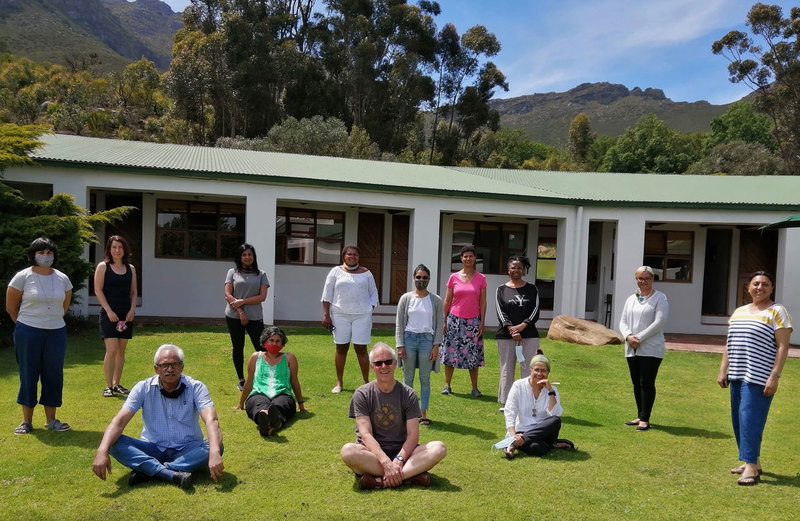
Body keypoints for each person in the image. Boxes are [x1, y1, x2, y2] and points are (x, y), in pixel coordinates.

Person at [91, 344, 224, 489]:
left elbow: (211, 419)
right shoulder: (143, 388)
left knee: (216, 445)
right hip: (152, 448)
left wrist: (215, 452)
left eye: (174, 364)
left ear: (182, 367)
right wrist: (101, 451)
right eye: (164, 365)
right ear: (156, 368)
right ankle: (170, 474)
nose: (170, 369)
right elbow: (119, 421)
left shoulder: (196, 387)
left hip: (187, 449)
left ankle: (150, 470)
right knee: (113, 442)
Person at [717, 271, 792, 486]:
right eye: (756, 283)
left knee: (751, 419)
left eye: (765, 284)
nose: (760, 287)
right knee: (739, 419)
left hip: (759, 376)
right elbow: (729, 343)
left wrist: (775, 375)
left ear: (772, 288)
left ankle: (750, 466)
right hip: (738, 374)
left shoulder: (777, 311)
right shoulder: (739, 312)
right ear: (748, 287)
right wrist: (723, 369)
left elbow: (782, 346)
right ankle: (753, 460)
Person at [340, 343, 447, 490]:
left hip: (403, 453)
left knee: (439, 448)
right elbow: (365, 435)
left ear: (395, 363)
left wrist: (398, 460)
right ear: (372, 367)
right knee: (348, 451)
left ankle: (380, 481)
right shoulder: (362, 394)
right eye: (378, 363)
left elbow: (413, 436)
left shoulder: (408, 393)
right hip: (372, 455)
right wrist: (385, 461)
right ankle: (410, 476)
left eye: (388, 362)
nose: (384, 366)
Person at [6, 237, 73, 435]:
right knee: (29, 374)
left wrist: (52, 319)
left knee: (53, 374)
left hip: (56, 332)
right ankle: (26, 421)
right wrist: (24, 323)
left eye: (49, 253)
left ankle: (51, 420)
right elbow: (11, 306)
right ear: (33, 255)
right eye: (41, 253)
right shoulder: (22, 277)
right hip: (28, 331)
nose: (46, 256)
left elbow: (65, 304)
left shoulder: (62, 278)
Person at [321, 245, 378, 394]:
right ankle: (339, 382)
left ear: (359, 257)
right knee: (341, 347)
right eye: (349, 254)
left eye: (355, 255)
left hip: (362, 315)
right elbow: (327, 295)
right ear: (343, 256)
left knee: (361, 348)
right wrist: (326, 314)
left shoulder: (367, 273)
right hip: (340, 314)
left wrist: (369, 308)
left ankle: (366, 382)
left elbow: (374, 294)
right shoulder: (335, 272)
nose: (352, 257)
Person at [618, 265, 669, 432]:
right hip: (632, 348)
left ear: (652, 279)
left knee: (646, 382)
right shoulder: (631, 298)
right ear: (636, 279)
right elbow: (623, 321)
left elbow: (659, 322)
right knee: (636, 382)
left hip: (651, 348)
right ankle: (640, 414)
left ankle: (645, 419)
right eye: (640, 278)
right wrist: (628, 336)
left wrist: (639, 337)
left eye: (647, 278)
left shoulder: (660, 298)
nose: (643, 281)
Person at [236, 326, 307, 436]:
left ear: (282, 344)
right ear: (265, 341)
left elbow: (294, 381)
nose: (274, 344)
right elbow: (249, 381)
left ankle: (267, 423)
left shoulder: (289, 358)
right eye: (271, 340)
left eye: (278, 341)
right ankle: (268, 419)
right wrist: (240, 404)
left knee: (280, 404)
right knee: (258, 403)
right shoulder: (255, 357)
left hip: (283, 394)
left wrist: (301, 404)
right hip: (259, 393)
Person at [395, 264, 443, 425]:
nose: (421, 280)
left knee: (425, 378)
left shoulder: (435, 300)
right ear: (413, 278)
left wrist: (436, 346)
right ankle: (407, 413)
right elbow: (399, 324)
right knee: (408, 378)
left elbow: (439, 325)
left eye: (424, 277)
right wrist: (400, 345)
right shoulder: (406, 298)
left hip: (426, 341)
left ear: (429, 279)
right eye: (418, 277)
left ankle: (423, 414)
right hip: (409, 339)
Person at [502, 353, 574, 459]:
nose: (539, 373)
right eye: (536, 370)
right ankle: (552, 444)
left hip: (544, 433)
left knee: (556, 420)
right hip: (522, 431)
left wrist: (550, 391)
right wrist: (513, 434)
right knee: (537, 448)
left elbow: (555, 414)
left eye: (543, 370)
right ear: (530, 370)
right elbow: (510, 411)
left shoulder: (552, 390)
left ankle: (515, 443)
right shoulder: (518, 386)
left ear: (548, 373)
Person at [440, 244, 486, 397]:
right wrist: (444, 320)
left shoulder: (481, 279)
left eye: (471, 256)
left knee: (473, 354)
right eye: (465, 256)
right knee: (450, 353)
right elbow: (447, 301)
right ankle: (447, 385)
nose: (468, 258)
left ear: (475, 258)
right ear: (461, 258)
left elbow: (483, 302)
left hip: (473, 322)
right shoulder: (453, 277)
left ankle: (474, 388)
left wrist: (482, 322)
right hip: (454, 320)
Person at [94, 235, 138, 398]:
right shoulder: (103, 267)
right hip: (109, 314)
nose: (117, 250)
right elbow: (98, 290)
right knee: (111, 349)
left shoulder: (131, 269)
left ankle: (117, 384)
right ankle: (108, 386)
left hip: (125, 314)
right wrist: (108, 311)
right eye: (114, 247)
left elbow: (134, 292)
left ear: (124, 249)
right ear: (109, 249)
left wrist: (132, 310)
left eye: (120, 247)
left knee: (121, 350)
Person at [495, 255, 541, 406]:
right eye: (513, 267)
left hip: (529, 336)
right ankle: (507, 403)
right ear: (508, 270)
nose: (516, 270)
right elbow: (500, 312)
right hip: (506, 337)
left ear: (524, 270)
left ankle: (528, 402)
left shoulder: (532, 289)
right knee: (507, 370)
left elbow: (535, 310)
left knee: (528, 369)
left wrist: (522, 326)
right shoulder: (501, 290)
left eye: (519, 267)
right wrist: (511, 330)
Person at [225, 243, 270, 391]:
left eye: (250, 254)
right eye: (244, 255)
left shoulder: (261, 274)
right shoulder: (232, 272)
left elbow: (262, 297)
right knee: (238, 347)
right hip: (234, 316)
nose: (247, 257)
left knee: (261, 348)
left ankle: (260, 379)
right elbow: (228, 295)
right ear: (240, 257)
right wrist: (241, 312)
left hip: (255, 316)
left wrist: (243, 301)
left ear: (254, 257)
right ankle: (241, 380)